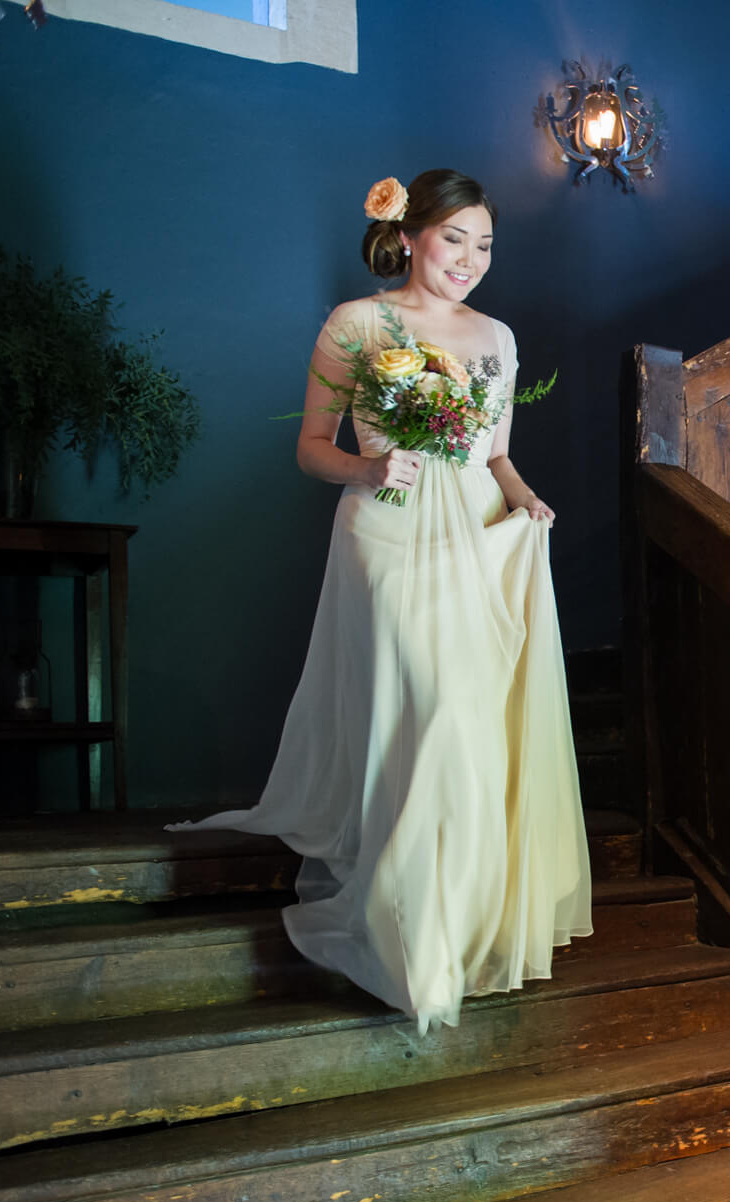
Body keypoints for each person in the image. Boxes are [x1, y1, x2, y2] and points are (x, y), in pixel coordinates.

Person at [173, 169, 593, 1032]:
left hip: (477, 533)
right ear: (408, 236)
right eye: (454, 239)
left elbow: (496, 453)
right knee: (430, 709)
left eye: (485, 244)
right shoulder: (358, 323)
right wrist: (367, 466)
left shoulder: (497, 336)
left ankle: (456, 928)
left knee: (470, 723)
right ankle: (410, 944)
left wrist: (525, 498)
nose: (470, 259)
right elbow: (309, 447)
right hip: (388, 527)